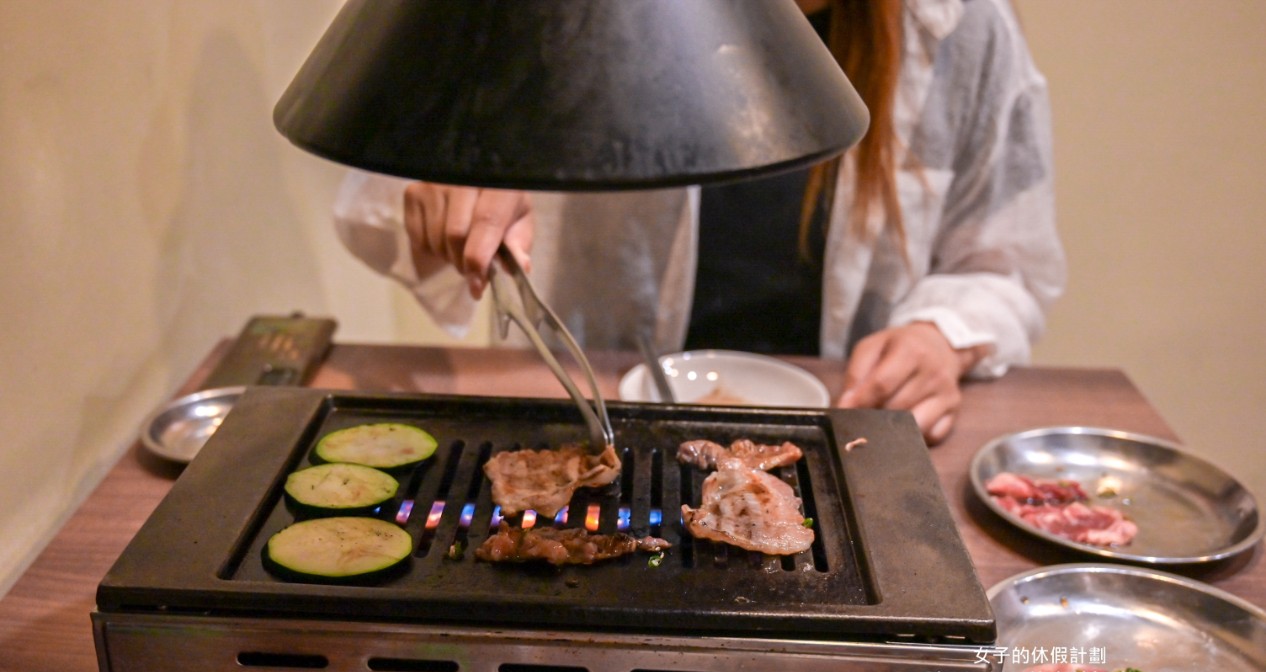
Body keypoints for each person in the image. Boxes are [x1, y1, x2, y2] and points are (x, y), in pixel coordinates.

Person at [333, 0, 1064, 444]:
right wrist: (447, 180)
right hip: (607, 417)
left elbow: (1005, 266)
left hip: (844, 430)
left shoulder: (959, 30)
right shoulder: (572, 17)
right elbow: (381, 194)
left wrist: (941, 336)